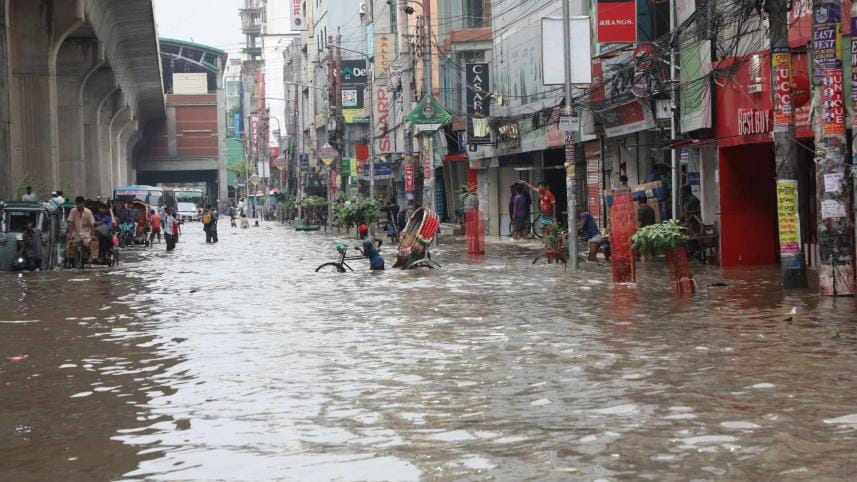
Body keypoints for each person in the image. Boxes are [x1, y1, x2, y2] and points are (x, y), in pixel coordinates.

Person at [67, 196, 95, 261]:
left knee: (86, 244)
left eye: (80, 204)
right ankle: (70, 259)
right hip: (75, 234)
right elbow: (70, 223)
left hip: (86, 234)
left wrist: (93, 235)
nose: (79, 206)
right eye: (78, 204)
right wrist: (70, 234)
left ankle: (89, 255)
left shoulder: (88, 212)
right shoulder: (73, 211)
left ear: (83, 204)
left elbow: (92, 225)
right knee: (71, 245)